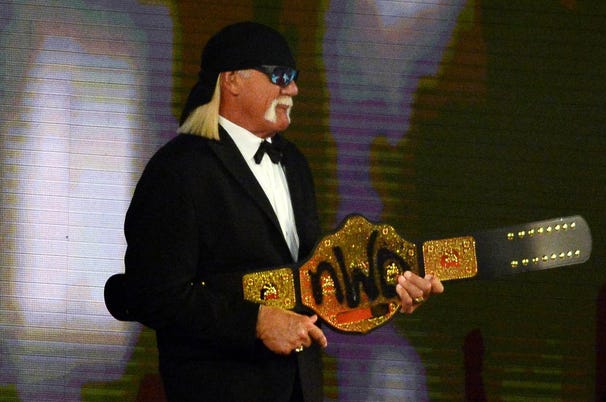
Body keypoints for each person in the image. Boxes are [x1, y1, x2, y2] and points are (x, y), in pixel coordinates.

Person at [122, 21, 444, 402]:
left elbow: (314, 283)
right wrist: (255, 323)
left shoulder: (294, 163)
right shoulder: (179, 169)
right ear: (232, 80)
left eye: (293, 77)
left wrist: (384, 289)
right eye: (280, 76)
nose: (293, 89)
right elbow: (151, 293)